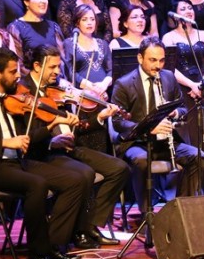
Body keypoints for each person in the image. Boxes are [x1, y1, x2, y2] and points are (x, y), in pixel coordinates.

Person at [0, 47, 90, 259]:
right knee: (36, 184)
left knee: (75, 180)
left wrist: (52, 125)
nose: (18, 75)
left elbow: (24, 139)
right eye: (13, 72)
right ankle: (38, 255)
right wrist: (4, 143)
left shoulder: (11, 98)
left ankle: (53, 245)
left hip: (15, 162)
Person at [21, 44, 128, 247]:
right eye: (52, 67)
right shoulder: (24, 91)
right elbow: (26, 134)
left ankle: (90, 225)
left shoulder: (59, 90)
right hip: (45, 152)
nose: (57, 72)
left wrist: (99, 117)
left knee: (119, 168)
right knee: (85, 173)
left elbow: (79, 126)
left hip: (70, 148)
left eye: (58, 66)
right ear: (37, 66)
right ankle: (76, 232)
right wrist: (52, 142)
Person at [110, 36, 204, 212]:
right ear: (140, 58)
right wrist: (148, 128)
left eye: (161, 60)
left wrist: (175, 113)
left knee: (198, 156)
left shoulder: (168, 77)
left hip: (164, 141)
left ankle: (182, 209)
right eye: (153, 60)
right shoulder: (123, 84)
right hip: (137, 142)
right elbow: (118, 122)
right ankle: (147, 214)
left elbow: (182, 108)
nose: (158, 65)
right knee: (141, 161)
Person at [161, 0, 204, 148]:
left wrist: (202, 83)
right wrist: (192, 85)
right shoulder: (168, 37)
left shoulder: (203, 34)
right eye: (183, 9)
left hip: (202, 87)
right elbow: (169, 68)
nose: (188, 11)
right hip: (182, 88)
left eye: (190, 8)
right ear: (175, 15)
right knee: (188, 129)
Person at [62, 4, 114, 153]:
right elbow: (69, 72)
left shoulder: (102, 44)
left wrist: (103, 85)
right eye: (85, 19)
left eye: (92, 19)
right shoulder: (70, 44)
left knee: (103, 135)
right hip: (83, 99)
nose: (90, 22)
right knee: (87, 134)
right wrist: (90, 86)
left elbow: (110, 70)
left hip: (102, 96)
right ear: (77, 23)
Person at [7, 0, 65, 72]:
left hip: (55, 78)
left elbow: (62, 59)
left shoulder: (53, 26)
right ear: (26, 2)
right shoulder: (16, 28)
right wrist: (37, 78)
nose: (43, 1)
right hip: (30, 79)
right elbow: (18, 63)